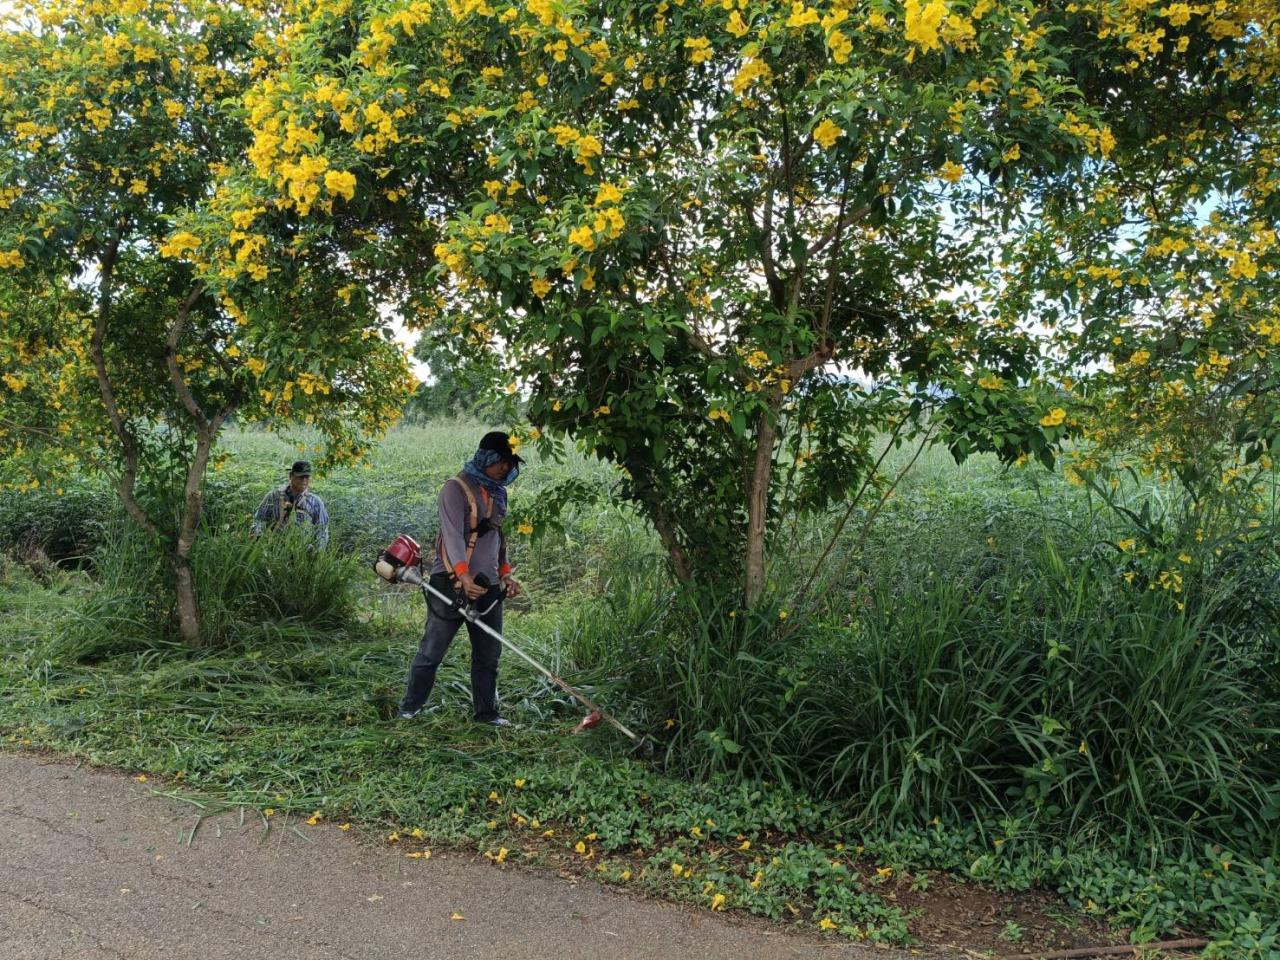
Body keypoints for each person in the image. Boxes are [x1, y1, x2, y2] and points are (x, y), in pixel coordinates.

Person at [398, 431, 524, 725]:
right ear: (487, 458)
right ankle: (409, 709)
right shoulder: (454, 489)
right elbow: (452, 536)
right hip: (451, 583)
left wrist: (504, 574)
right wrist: (463, 575)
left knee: (488, 655)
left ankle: (486, 714)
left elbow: (496, 537)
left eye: (509, 462)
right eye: (501, 461)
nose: (505, 468)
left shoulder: (497, 492)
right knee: (432, 652)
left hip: (488, 585)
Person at [251, 460, 330, 548]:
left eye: (307, 477)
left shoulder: (316, 502)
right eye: (300, 476)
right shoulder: (273, 497)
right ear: (291, 476)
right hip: (273, 551)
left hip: (302, 554)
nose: (304, 480)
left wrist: (316, 552)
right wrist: (258, 535)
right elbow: (259, 520)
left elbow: (322, 530)